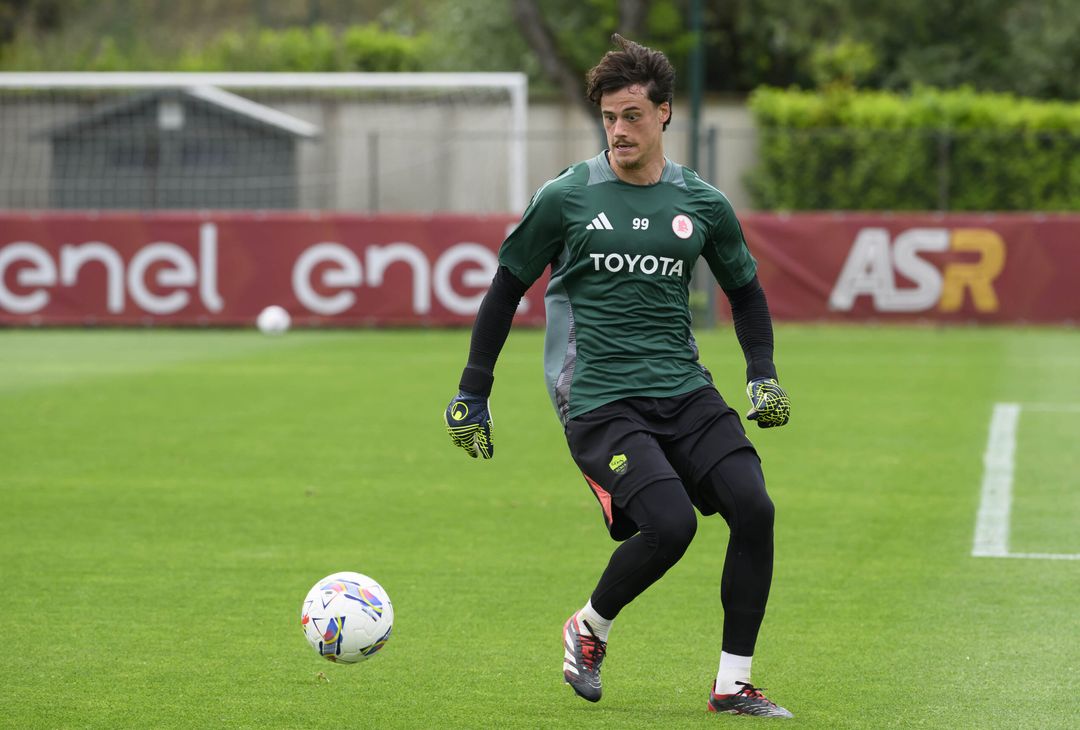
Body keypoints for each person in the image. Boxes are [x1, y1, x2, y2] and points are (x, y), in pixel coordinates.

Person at [443, 34, 793, 719]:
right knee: (671, 525)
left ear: (665, 114)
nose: (618, 131)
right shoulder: (566, 197)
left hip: (684, 387)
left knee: (755, 509)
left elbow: (746, 292)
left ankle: (733, 684)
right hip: (599, 396)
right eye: (608, 117)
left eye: (632, 115)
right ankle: (590, 627)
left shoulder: (702, 203)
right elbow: (506, 287)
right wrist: (471, 392)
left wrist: (762, 376)